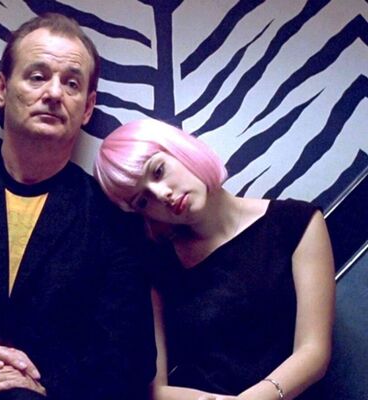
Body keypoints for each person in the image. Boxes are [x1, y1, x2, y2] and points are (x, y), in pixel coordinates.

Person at [0, 13, 155, 400]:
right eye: (37, 76)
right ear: (2, 88)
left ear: (87, 108)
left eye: (71, 83)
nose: (54, 93)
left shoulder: (114, 220)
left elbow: (131, 357)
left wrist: (40, 382)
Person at [94, 118, 336, 400]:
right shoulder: (157, 266)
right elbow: (156, 389)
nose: (162, 195)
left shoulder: (295, 223)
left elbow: (314, 353)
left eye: (158, 171)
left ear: (181, 149)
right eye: (143, 201)